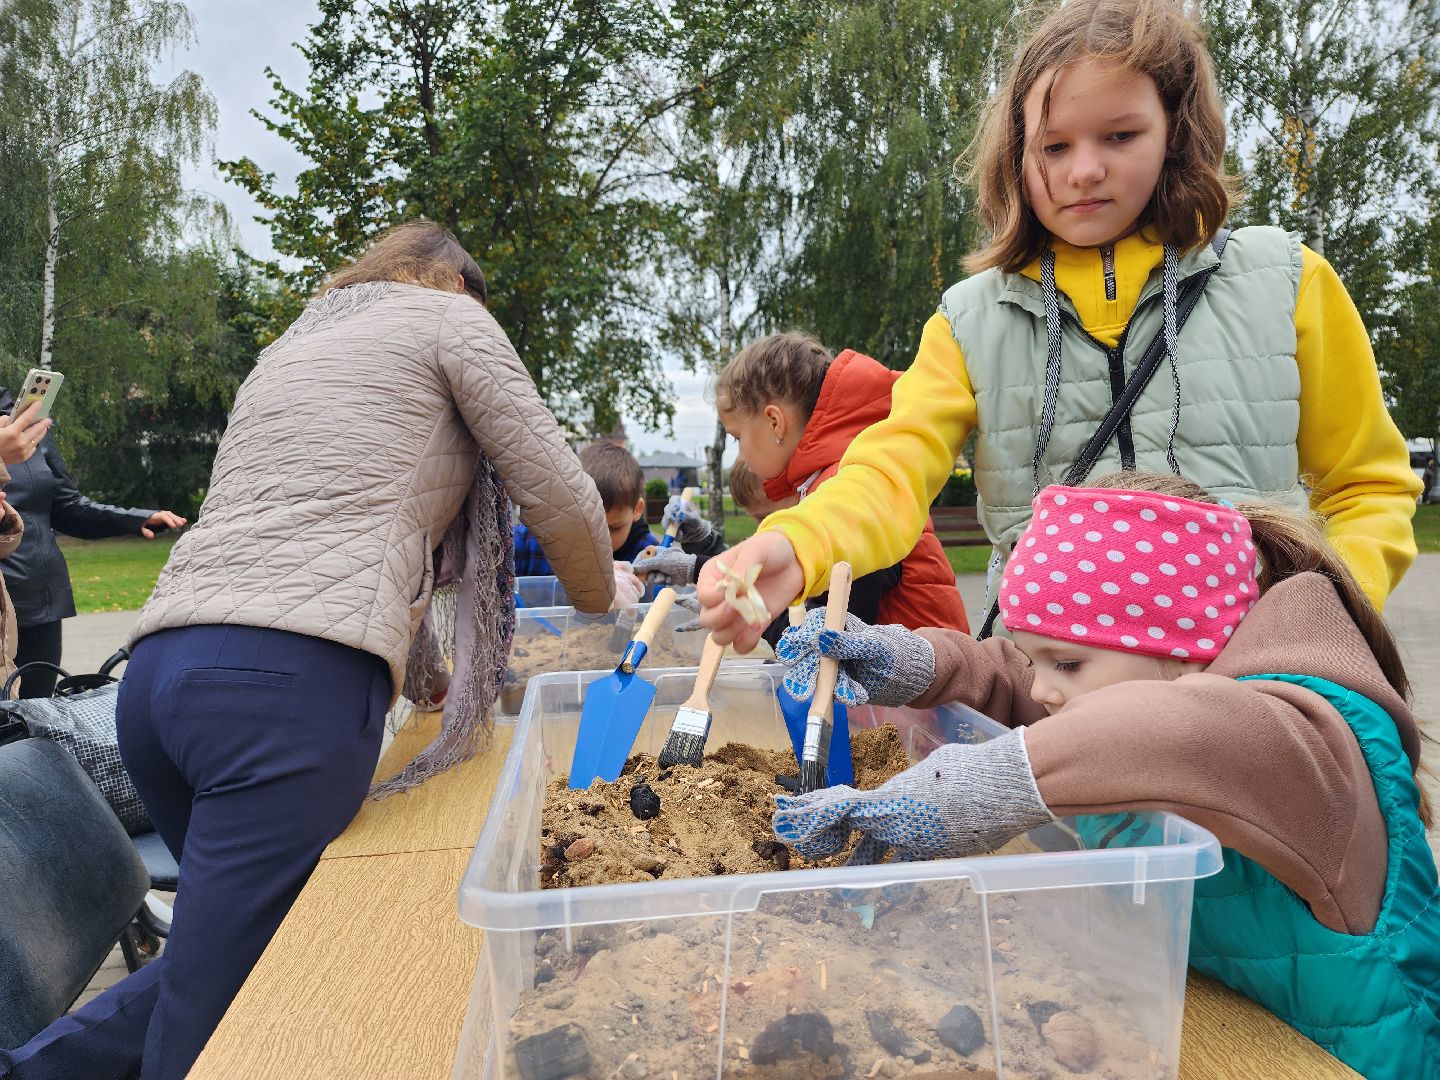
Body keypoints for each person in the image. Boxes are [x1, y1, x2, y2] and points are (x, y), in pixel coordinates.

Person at [0, 221, 617, 1080]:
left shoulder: (295, 344)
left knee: (236, 951)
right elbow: (564, 499)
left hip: (160, 679)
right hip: (282, 697)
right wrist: (602, 609)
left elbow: (353, 532)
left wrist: (428, 676)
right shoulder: (453, 319)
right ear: (456, 283)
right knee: (213, 1019)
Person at [696, 0, 1420, 650]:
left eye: (1120, 135)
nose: (1085, 171)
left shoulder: (1286, 280)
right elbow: (889, 472)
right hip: (1047, 698)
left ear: (1176, 132)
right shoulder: (967, 320)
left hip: (1255, 693)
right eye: (1055, 146)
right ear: (1017, 153)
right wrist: (797, 542)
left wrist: (1322, 624)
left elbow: (1367, 487)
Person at [771, 472, 1439, 1078]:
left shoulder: (1304, 741)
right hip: (1226, 1031)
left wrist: (982, 787)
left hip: (1356, 1058)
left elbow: (1185, 732)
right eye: (1039, 659)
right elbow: (1017, 678)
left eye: (1067, 664)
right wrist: (917, 663)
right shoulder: (1135, 675)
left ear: (1186, 653)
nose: (1045, 689)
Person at [699, 332, 969, 635]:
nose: (741, 456)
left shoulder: (844, 489)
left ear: (775, 422)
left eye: (737, 437)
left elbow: (832, 636)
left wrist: (740, 609)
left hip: (935, 665)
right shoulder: (839, 478)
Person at [0, 391, 186, 697]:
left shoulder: (27, 425)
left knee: (35, 715)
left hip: (40, 604)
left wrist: (134, 519)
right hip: (3, 598)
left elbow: (68, 508)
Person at [512, 441, 650, 606]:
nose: (598, 542)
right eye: (586, 528)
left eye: (614, 528)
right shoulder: (530, 542)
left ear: (637, 510)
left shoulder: (647, 553)